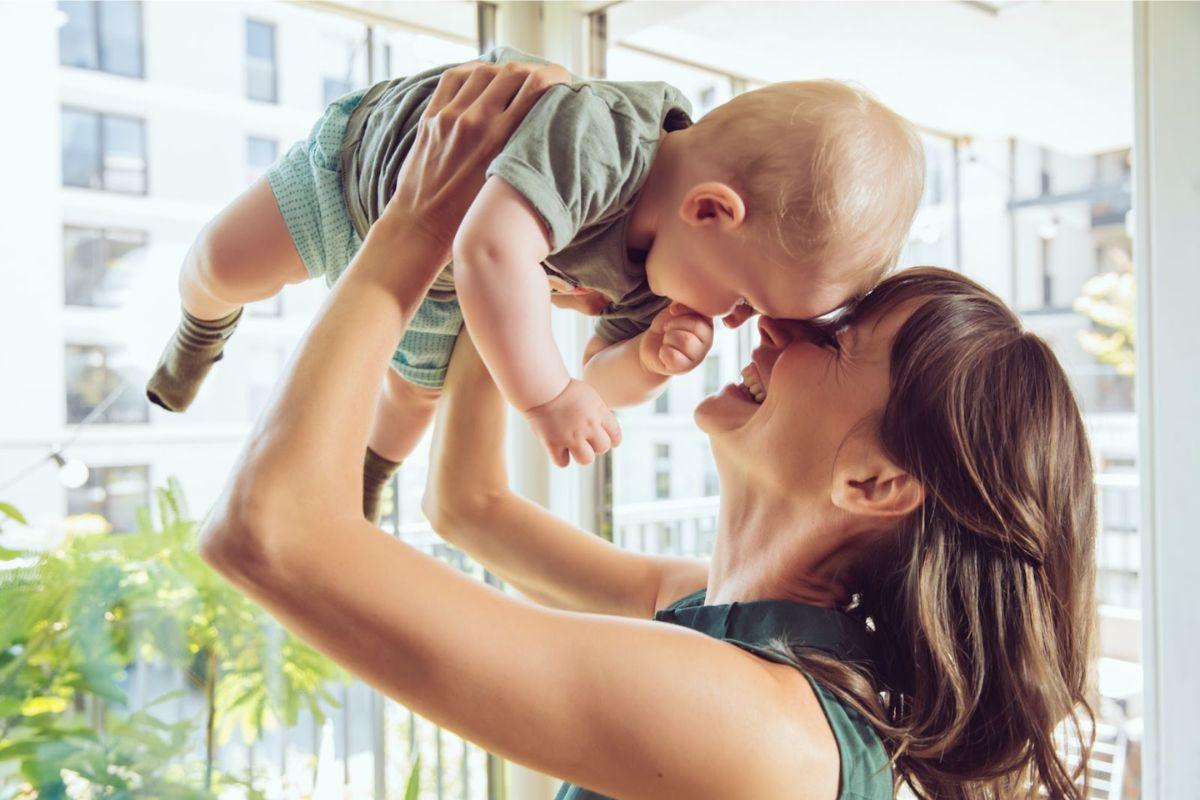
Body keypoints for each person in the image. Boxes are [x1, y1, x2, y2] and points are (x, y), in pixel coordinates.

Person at [199, 65, 1097, 799]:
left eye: (834, 339)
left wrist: (414, 224)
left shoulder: (761, 725)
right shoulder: (731, 625)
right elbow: (468, 506)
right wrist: (522, 226)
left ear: (872, 482)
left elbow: (269, 534)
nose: (771, 330)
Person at [146, 45, 925, 523]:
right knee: (222, 264)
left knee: (416, 395)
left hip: (441, 281)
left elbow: (595, 377)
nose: (729, 322)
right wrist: (546, 399)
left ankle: (369, 473)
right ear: (712, 210)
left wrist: (646, 363)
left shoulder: (669, 274)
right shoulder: (605, 138)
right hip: (362, 181)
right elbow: (492, 248)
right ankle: (200, 329)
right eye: (745, 299)